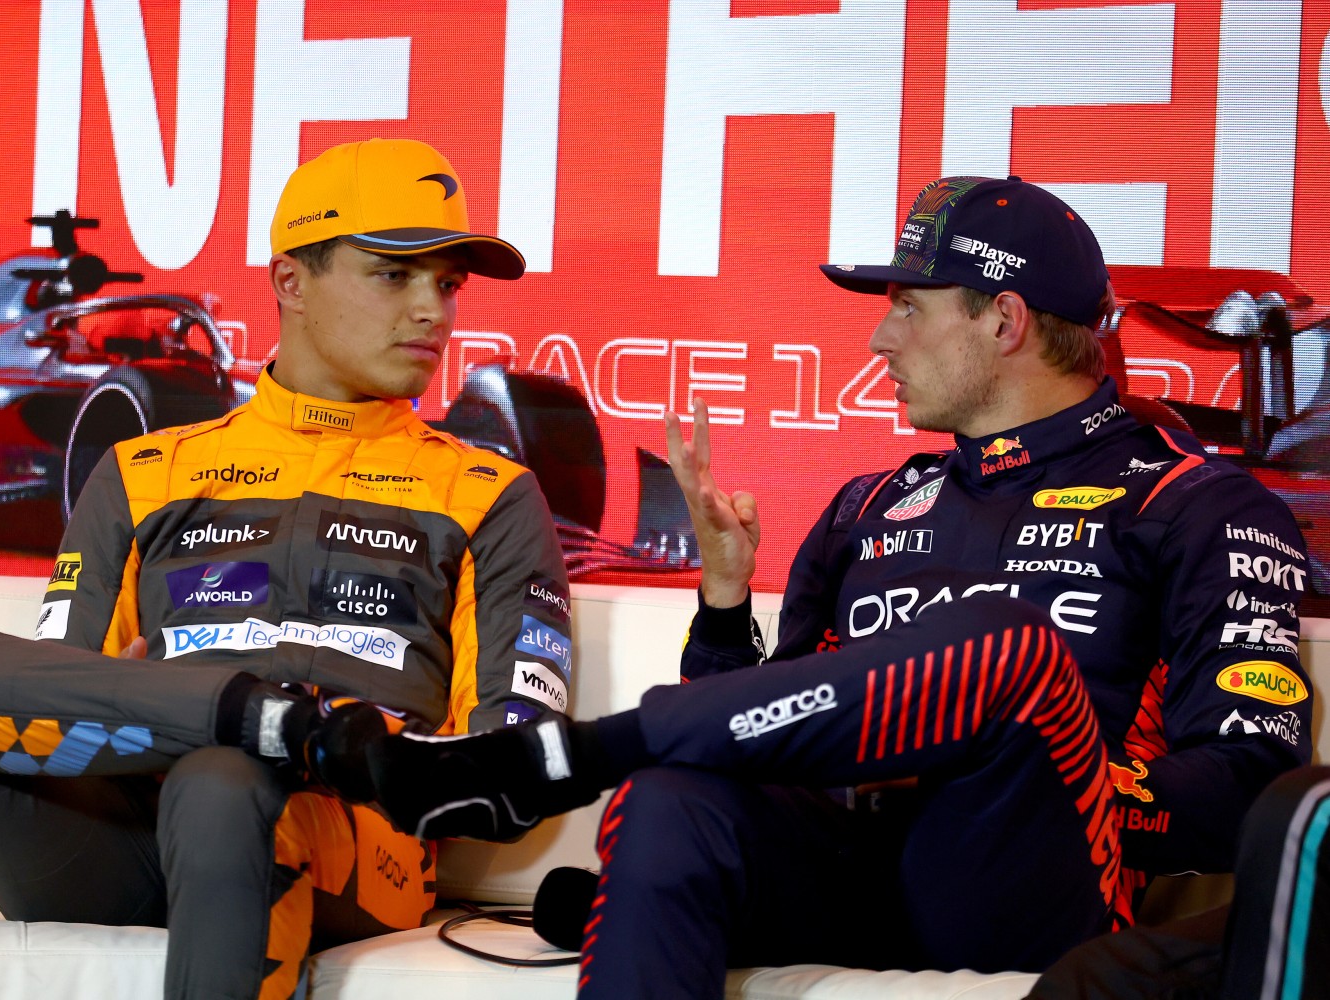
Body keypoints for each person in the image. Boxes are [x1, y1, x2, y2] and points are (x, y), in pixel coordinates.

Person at [342, 176, 1313, 996]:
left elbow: (1245, 796)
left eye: (906, 306)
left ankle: (566, 752)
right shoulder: (870, 504)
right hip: (854, 863)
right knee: (671, 795)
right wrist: (724, 611)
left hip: (1025, 872)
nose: (878, 342)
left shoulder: (1194, 503)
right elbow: (771, 725)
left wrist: (1024, 760)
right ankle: (604, 759)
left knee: (1000, 643)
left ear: (1004, 319)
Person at [0, 138, 573, 1000]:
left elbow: (517, 766)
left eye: (447, 284)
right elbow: (56, 695)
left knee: (224, 778)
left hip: (346, 835)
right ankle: (253, 717)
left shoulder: (489, 493)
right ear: (291, 283)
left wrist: (345, 752)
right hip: (118, 829)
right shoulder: (142, 473)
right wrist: (176, 713)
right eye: (393, 275)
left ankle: (258, 733)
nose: (434, 312)